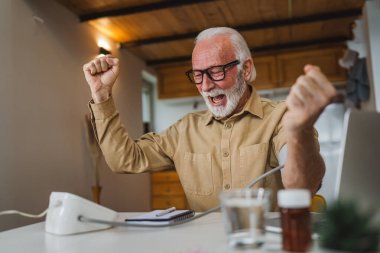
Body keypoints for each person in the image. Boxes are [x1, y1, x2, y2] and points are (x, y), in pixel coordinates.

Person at [83, 27, 336, 211]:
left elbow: (302, 187)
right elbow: (124, 160)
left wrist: (299, 131)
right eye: (197, 75)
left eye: (215, 72)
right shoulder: (184, 130)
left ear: (245, 69)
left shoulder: (282, 118)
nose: (205, 86)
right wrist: (102, 94)